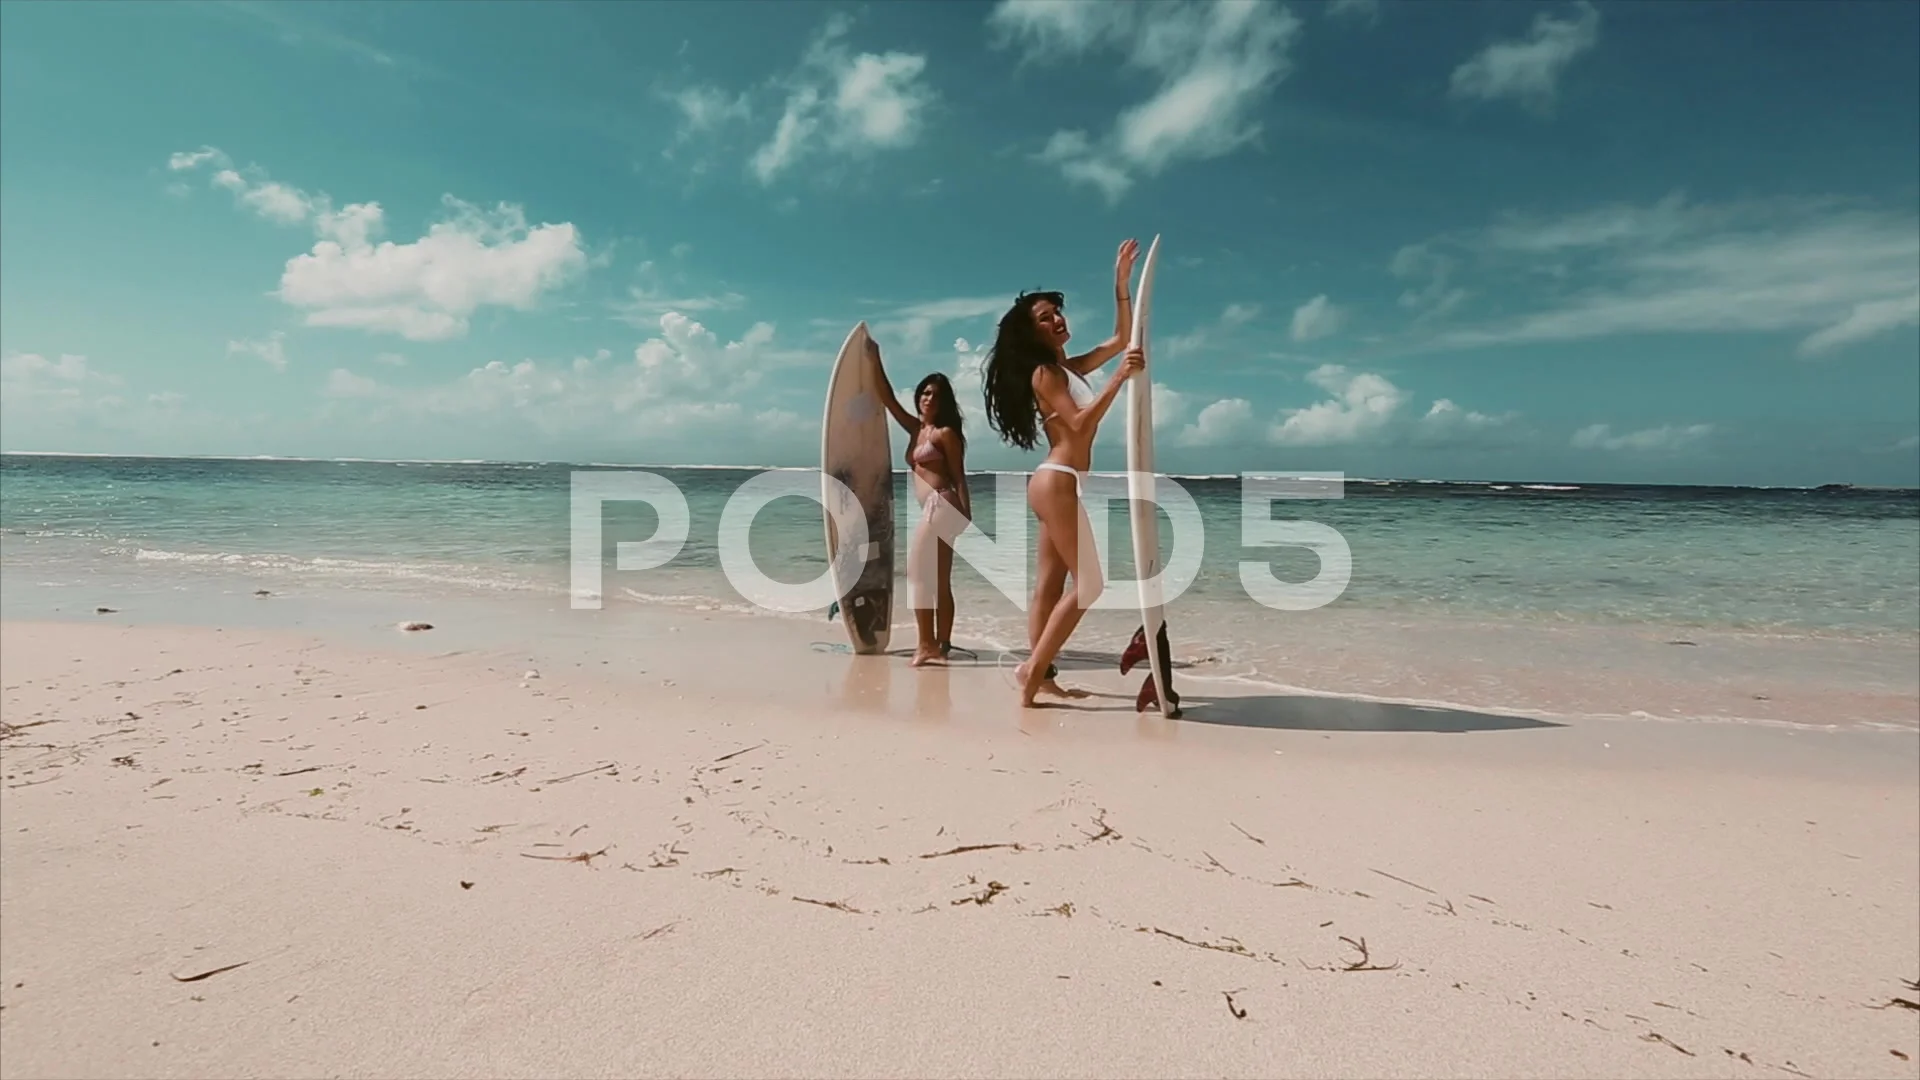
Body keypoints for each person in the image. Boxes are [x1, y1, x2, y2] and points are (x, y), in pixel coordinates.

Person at [981, 238, 1145, 708]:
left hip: (1059, 482)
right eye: (1045, 317)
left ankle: (1043, 677)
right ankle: (1031, 673)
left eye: (1057, 312)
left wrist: (1121, 284)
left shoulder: (1065, 368)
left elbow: (1119, 340)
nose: (1057, 319)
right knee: (1091, 584)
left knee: (1049, 588)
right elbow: (1078, 424)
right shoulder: (1045, 375)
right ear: (1032, 333)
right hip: (1057, 481)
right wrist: (1119, 379)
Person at [868, 338, 972, 667]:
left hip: (943, 505)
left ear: (945, 402)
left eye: (936, 395)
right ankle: (942, 645)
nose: (929, 399)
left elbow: (959, 475)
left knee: (918, 575)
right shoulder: (916, 430)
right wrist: (875, 360)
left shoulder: (944, 434)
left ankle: (927, 644)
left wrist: (966, 514)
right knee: (939, 581)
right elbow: (887, 399)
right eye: (925, 393)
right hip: (933, 509)